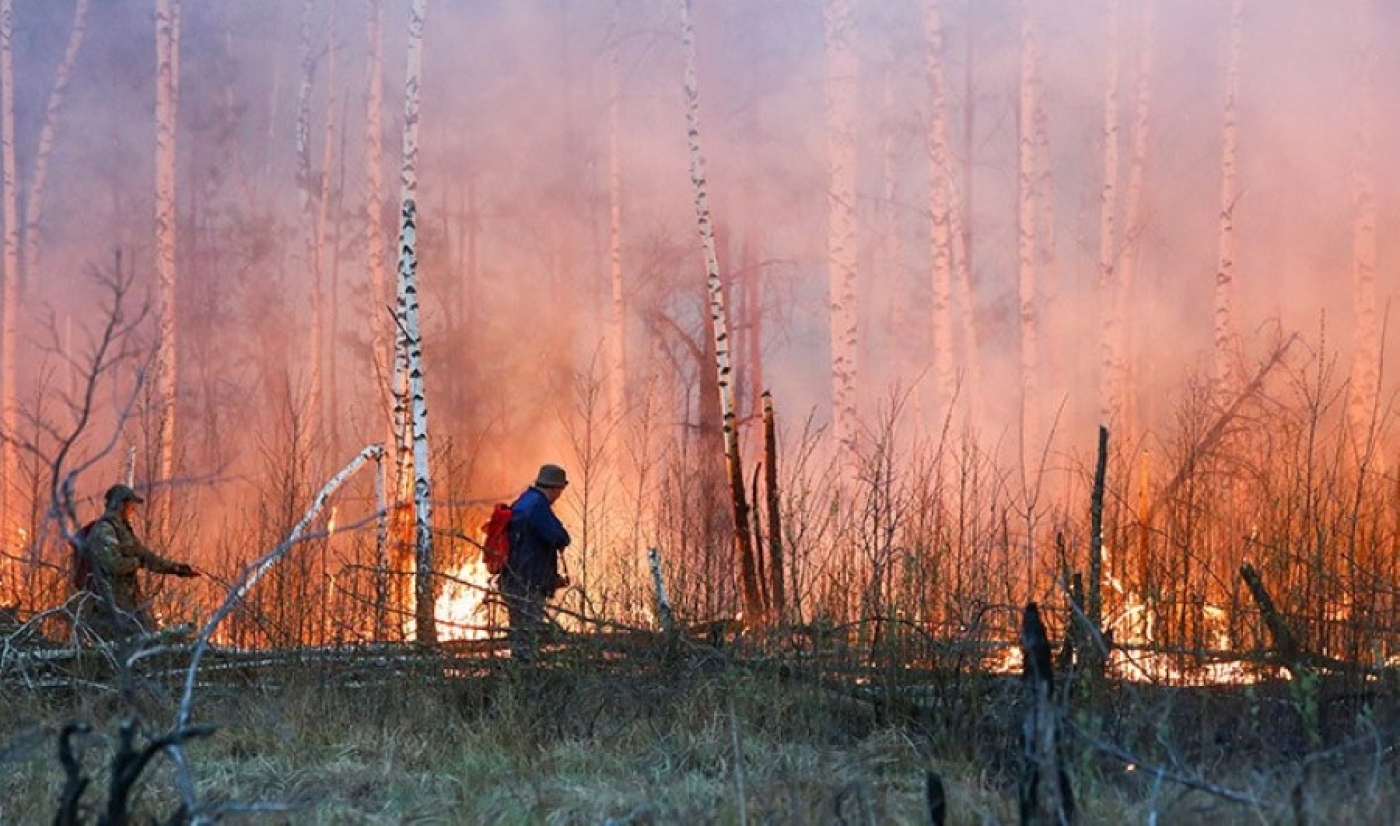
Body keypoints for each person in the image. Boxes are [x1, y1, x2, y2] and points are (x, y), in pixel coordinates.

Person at [80, 483, 198, 640]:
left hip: (128, 607)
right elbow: (113, 565)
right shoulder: (104, 530)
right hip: (108, 610)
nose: (132, 510)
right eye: (130, 505)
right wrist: (137, 562)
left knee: (143, 645)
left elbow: (146, 557)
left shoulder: (123, 530)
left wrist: (177, 569)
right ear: (120, 504)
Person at [499, 464, 572, 662]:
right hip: (528, 583)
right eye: (560, 490)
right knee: (529, 635)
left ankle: (520, 677)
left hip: (512, 580)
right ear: (555, 488)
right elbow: (558, 537)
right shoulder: (537, 507)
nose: (559, 496)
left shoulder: (523, 501)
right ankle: (528, 678)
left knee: (519, 633)